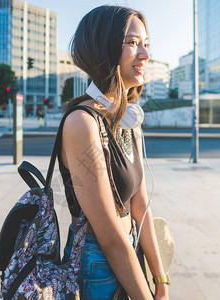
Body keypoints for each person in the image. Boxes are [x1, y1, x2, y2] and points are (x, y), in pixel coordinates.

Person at [58, 5, 170, 299]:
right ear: (103, 48)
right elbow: (108, 235)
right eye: (132, 43)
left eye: (146, 44)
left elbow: (141, 206)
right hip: (98, 263)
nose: (145, 54)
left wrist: (160, 280)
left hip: (129, 249)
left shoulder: (128, 119)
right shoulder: (83, 122)